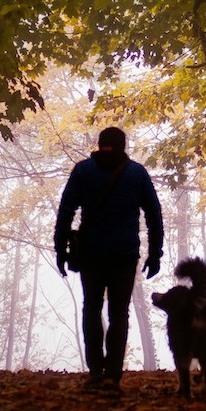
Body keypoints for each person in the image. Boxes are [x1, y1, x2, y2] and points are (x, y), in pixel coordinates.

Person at [54, 127, 163, 392]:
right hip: (124, 255)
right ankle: (112, 375)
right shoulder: (136, 174)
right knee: (118, 313)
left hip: (91, 254)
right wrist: (155, 254)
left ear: (99, 143)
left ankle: (95, 372)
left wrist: (61, 250)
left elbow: (66, 211)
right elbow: (153, 214)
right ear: (123, 145)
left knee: (91, 308)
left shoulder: (83, 171)